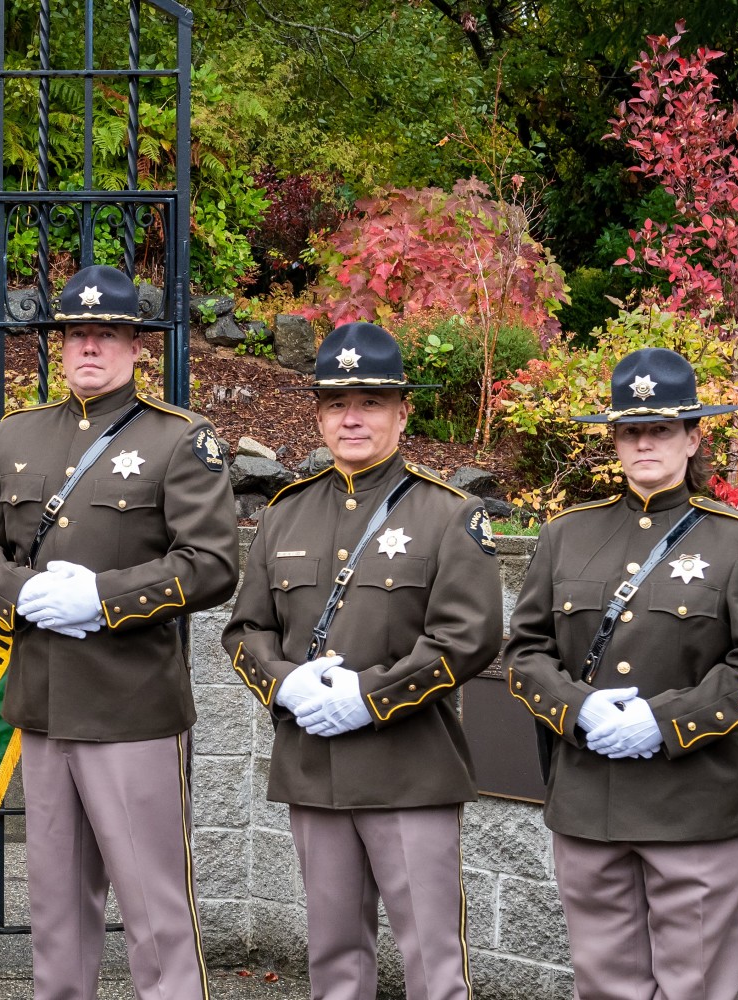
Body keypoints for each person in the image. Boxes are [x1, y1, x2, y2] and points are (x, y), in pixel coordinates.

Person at [0, 263, 238, 1000]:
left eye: (105, 334)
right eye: (77, 334)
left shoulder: (180, 440)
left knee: (154, 916)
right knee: (56, 914)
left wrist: (102, 600)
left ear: (135, 346)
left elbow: (210, 565)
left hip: (131, 709)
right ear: (60, 344)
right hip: (44, 707)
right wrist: (27, 590)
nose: (89, 347)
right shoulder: (17, 436)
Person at [503, 347, 738, 1000]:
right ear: (614, 439)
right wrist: (577, 708)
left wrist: (660, 722)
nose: (645, 443)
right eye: (631, 430)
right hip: (589, 805)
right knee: (604, 986)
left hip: (697, 807)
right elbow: (524, 654)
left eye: (661, 428)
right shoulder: (566, 537)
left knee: (695, 987)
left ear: (693, 436)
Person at [221, 322, 501, 1000]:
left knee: (433, 964)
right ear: (317, 414)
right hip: (314, 770)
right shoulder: (285, 516)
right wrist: (286, 685)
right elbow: (244, 630)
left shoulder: (448, 514)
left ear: (402, 412)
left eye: (372, 402)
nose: (353, 417)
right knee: (335, 962)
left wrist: (368, 696)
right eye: (338, 404)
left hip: (410, 771)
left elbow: (468, 637)